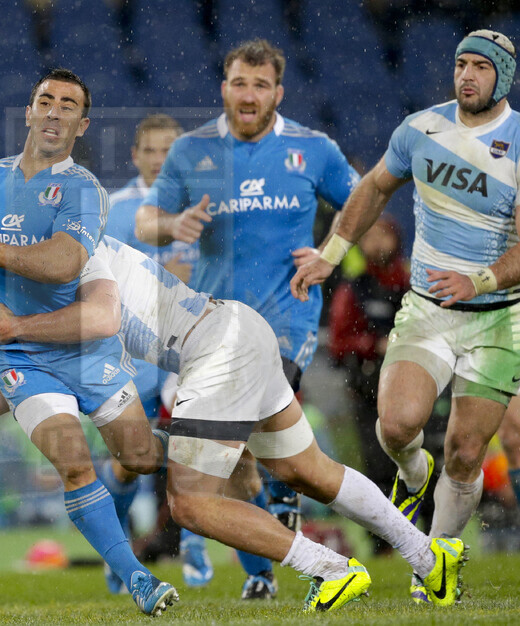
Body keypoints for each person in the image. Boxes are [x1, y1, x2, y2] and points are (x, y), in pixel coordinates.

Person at [0, 235, 468, 610]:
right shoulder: (63, 253)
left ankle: (329, 566)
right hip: (239, 329)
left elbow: (69, 336)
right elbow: (28, 372)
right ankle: (427, 556)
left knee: (191, 503)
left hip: (214, 351)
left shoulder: (61, 271)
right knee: (307, 469)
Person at [0, 68, 177, 616]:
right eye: (45, 101)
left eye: (68, 105)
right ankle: (137, 577)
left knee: (142, 457)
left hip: (84, 347)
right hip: (18, 354)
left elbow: (64, 263)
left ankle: (189, 461)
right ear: (29, 112)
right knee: (73, 463)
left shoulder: (84, 190)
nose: (54, 111)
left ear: (82, 124)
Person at [291, 29, 520, 602]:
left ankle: (433, 565)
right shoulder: (421, 128)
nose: (467, 75)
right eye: (461, 64)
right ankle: (414, 477)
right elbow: (373, 188)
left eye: (481, 68)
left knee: (467, 453)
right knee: (395, 426)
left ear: (503, 78)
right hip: (428, 309)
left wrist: (480, 278)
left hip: (496, 318)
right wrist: (332, 254)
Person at [134, 38, 361, 599]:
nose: (249, 94)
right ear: (225, 88)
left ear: (278, 93)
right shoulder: (193, 151)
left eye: (261, 85)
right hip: (213, 328)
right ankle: (264, 574)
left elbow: (362, 206)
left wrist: (331, 251)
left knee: (254, 430)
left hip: (287, 321)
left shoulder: (313, 150)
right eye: (240, 82)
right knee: (236, 470)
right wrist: (174, 225)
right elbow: (145, 220)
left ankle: (290, 501)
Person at [102, 113, 213, 590]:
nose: (159, 159)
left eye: (169, 150)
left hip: (191, 355)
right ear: (135, 156)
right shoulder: (115, 210)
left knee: (198, 452)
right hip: (134, 357)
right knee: (129, 462)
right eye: (150, 150)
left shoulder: (202, 207)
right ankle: (119, 549)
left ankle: (195, 545)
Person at [327, 217, 410, 553]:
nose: (376, 244)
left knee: (425, 460)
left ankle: (435, 536)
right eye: (369, 236)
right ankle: (383, 544)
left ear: (396, 238)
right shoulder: (354, 287)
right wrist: (373, 345)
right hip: (368, 392)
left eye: (382, 235)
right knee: (376, 466)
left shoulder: (413, 283)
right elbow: (338, 343)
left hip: (413, 385)